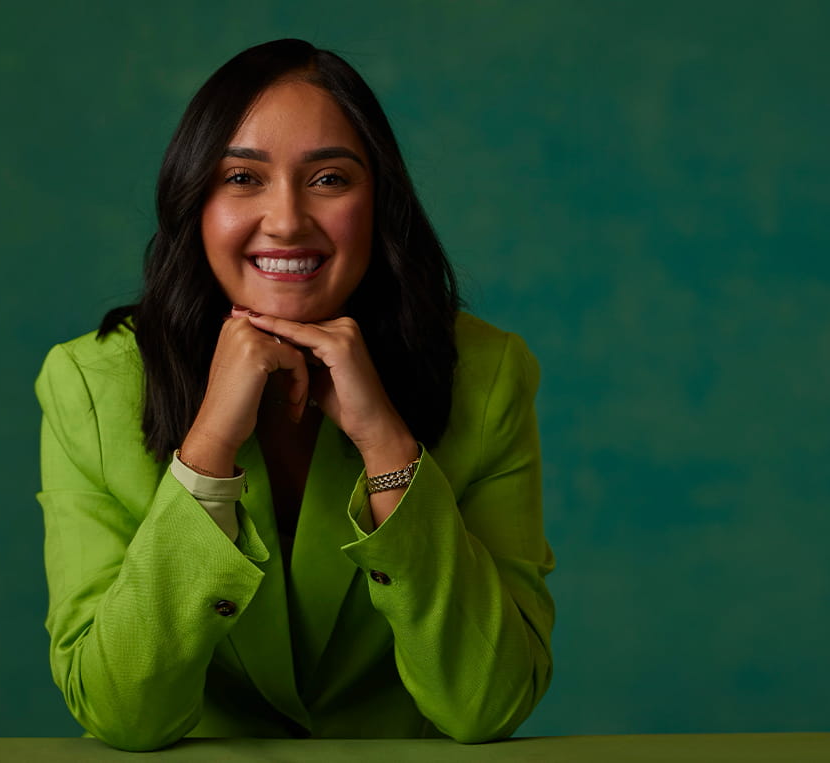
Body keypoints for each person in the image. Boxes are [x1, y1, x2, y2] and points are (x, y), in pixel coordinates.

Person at [35, 38, 555, 751]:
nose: (285, 220)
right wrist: (208, 449)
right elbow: (120, 712)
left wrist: (388, 449)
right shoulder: (90, 386)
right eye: (242, 178)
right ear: (195, 202)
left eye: (330, 179)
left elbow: (489, 704)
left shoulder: (489, 374)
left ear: (381, 200)